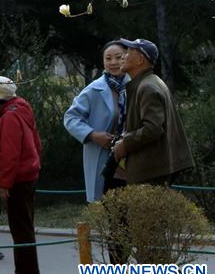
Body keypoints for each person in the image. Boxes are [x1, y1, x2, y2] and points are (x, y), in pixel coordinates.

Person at [112, 38, 194, 185]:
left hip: (151, 169)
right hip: (154, 167)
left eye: (129, 52)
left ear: (140, 60)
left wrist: (125, 143)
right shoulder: (150, 82)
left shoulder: (147, 87)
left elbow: (153, 129)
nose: (122, 56)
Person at [0, 76, 42, 274]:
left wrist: (4, 183)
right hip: (29, 173)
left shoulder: (9, 117)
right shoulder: (22, 109)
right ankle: (29, 272)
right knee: (25, 226)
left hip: (18, 178)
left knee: (20, 228)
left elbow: (9, 155)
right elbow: (36, 142)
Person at [63, 41, 129, 201]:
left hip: (131, 156)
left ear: (127, 58)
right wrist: (92, 135)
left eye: (118, 57)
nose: (113, 62)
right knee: (109, 208)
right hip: (106, 160)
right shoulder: (94, 89)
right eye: (108, 58)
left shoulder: (135, 85)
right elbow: (70, 118)